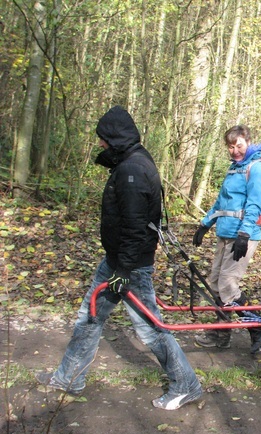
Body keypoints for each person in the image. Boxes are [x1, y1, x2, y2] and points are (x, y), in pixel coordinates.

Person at [36, 106, 202, 410]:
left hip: (131, 266)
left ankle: (186, 384)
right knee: (89, 317)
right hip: (117, 261)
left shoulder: (132, 170)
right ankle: (69, 378)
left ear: (114, 138)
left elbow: (137, 228)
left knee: (150, 329)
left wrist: (124, 269)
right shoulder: (132, 162)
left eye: (102, 139)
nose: (100, 145)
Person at [192, 125, 261, 354]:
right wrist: (206, 223)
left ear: (248, 141)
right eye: (231, 146)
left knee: (227, 285)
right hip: (225, 233)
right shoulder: (234, 169)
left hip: (243, 236)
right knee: (216, 283)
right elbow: (221, 202)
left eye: (239, 146)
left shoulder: (257, 169)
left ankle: (258, 327)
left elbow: (255, 204)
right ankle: (221, 333)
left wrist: (244, 234)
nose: (235, 150)